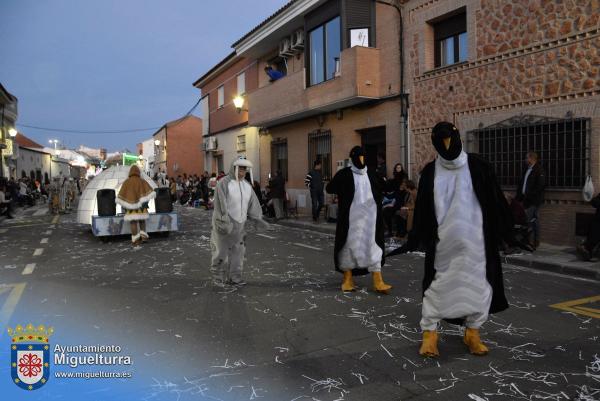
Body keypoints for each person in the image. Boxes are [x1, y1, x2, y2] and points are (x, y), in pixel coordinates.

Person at [388, 122, 514, 357]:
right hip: (443, 246)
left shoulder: (479, 167)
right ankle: (430, 334)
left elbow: (496, 201)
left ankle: (473, 332)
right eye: (441, 141)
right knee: (437, 288)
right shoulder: (429, 172)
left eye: (450, 139)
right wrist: (416, 238)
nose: (447, 145)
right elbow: (424, 211)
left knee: (478, 287)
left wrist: (506, 232)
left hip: (476, 244)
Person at [326, 146, 392, 294]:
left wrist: (397, 179)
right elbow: (330, 188)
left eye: (363, 156)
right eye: (358, 157)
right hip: (351, 220)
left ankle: (378, 279)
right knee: (350, 245)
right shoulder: (344, 174)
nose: (361, 160)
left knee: (373, 245)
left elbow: (385, 186)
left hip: (371, 218)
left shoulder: (373, 174)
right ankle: (348, 278)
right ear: (353, 159)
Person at [210, 157, 269, 287]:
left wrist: (257, 218)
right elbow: (220, 204)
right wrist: (222, 221)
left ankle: (235, 277)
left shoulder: (247, 186)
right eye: (240, 169)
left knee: (238, 252)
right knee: (221, 251)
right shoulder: (224, 183)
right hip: (225, 224)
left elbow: (253, 204)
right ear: (234, 168)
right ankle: (218, 277)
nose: (242, 172)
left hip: (240, 225)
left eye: (244, 170)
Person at [116, 165, 157, 246]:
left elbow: (121, 194)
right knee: (142, 221)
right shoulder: (142, 181)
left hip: (131, 206)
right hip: (142, 206)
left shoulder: (127, 182)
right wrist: (145, 201)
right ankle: (144, 237)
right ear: (138, 172)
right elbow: (150, 192)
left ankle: (135, 240)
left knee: (133, 222)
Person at [516, 151, 545, 249]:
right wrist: (518, 197)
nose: (525, 160)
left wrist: (530, 197)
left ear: (532, 159)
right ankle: (530, 241)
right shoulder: (527, 170)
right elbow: (522, 184)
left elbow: (540, 186)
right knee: (531, 220)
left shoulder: (538, 170)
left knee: (530, 220)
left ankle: (533, 241)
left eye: (526, 158)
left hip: (533, 201)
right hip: (525, 199)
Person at [577, 192, 600, 261]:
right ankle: (586, 250)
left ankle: (593, 254)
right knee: (594, 233)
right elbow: (594, 201)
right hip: (598, 220)